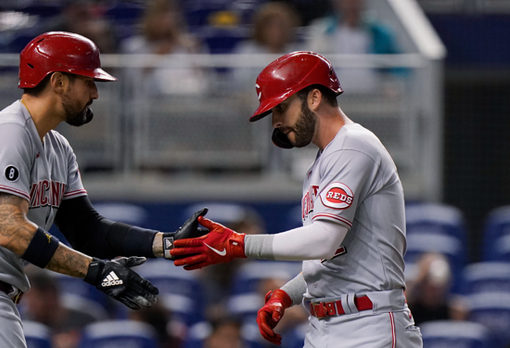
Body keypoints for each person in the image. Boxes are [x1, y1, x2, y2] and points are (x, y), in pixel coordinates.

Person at [0, 31, 207, 348]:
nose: (95, 93)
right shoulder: (9, 131)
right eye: (88, 82)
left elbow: (86, 230)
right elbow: (11, 231)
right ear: (58, 82)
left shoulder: (57, 146)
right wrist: (97, 272)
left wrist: (166, 243)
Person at [171, 51, 423, 347]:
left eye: (282, 108)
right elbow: (330, 258)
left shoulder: (354, 145)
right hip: (325, 327)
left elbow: (324, 239)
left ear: (314, 98)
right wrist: (288, 294)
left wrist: (238, 244)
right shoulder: (322, 162)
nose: (275, 121)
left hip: (370, 326)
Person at [305, 0, 400, 93]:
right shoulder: (322, 31)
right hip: (335, 95)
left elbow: (397, 62)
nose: (352, 5)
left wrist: (392, 83)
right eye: (348, 0)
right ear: (338, 2)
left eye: (356, 0)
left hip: (372, 95)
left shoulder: (380, 33)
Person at [120, 0, 209, 96]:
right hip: (149, 105)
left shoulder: (190, 44)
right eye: (160, 15)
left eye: (169, 15)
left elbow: (206, 79)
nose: (165, 21)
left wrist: (194, 52)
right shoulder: (134, 46)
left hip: (188, 102)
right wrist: (155, 58)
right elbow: (129, 83)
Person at [232, 2, 303, 91]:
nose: (276, 31)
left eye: (281, 26)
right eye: (270, 26)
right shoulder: (247, 51)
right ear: (261, 28)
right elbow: (238, 82)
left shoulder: (298, 53)